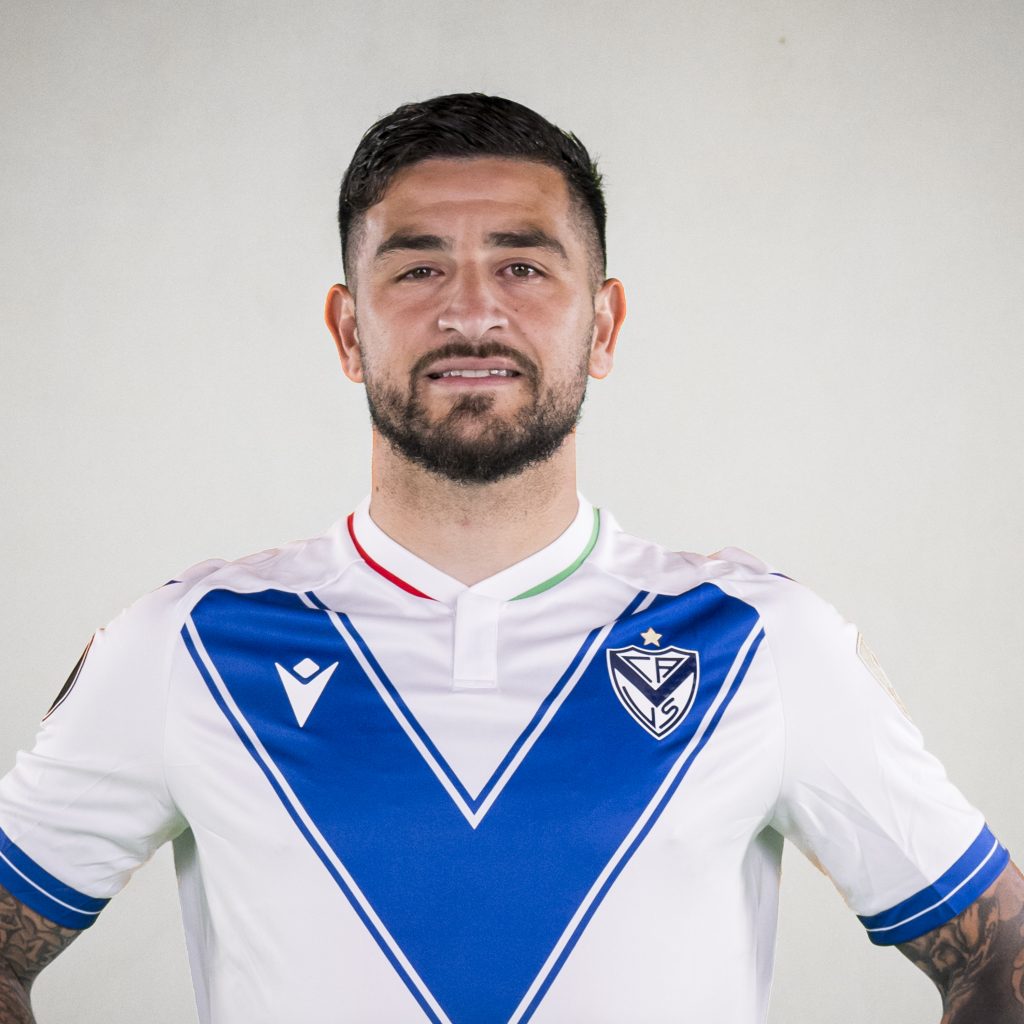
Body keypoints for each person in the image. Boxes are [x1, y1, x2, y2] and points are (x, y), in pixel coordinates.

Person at [0, 93, 1021, 1024]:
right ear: (348, 331)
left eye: (523, 267)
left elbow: (1001, 956)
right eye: (418, 268)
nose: (471, 311)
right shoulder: (189, 646)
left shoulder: (759, 641)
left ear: (603, 325)